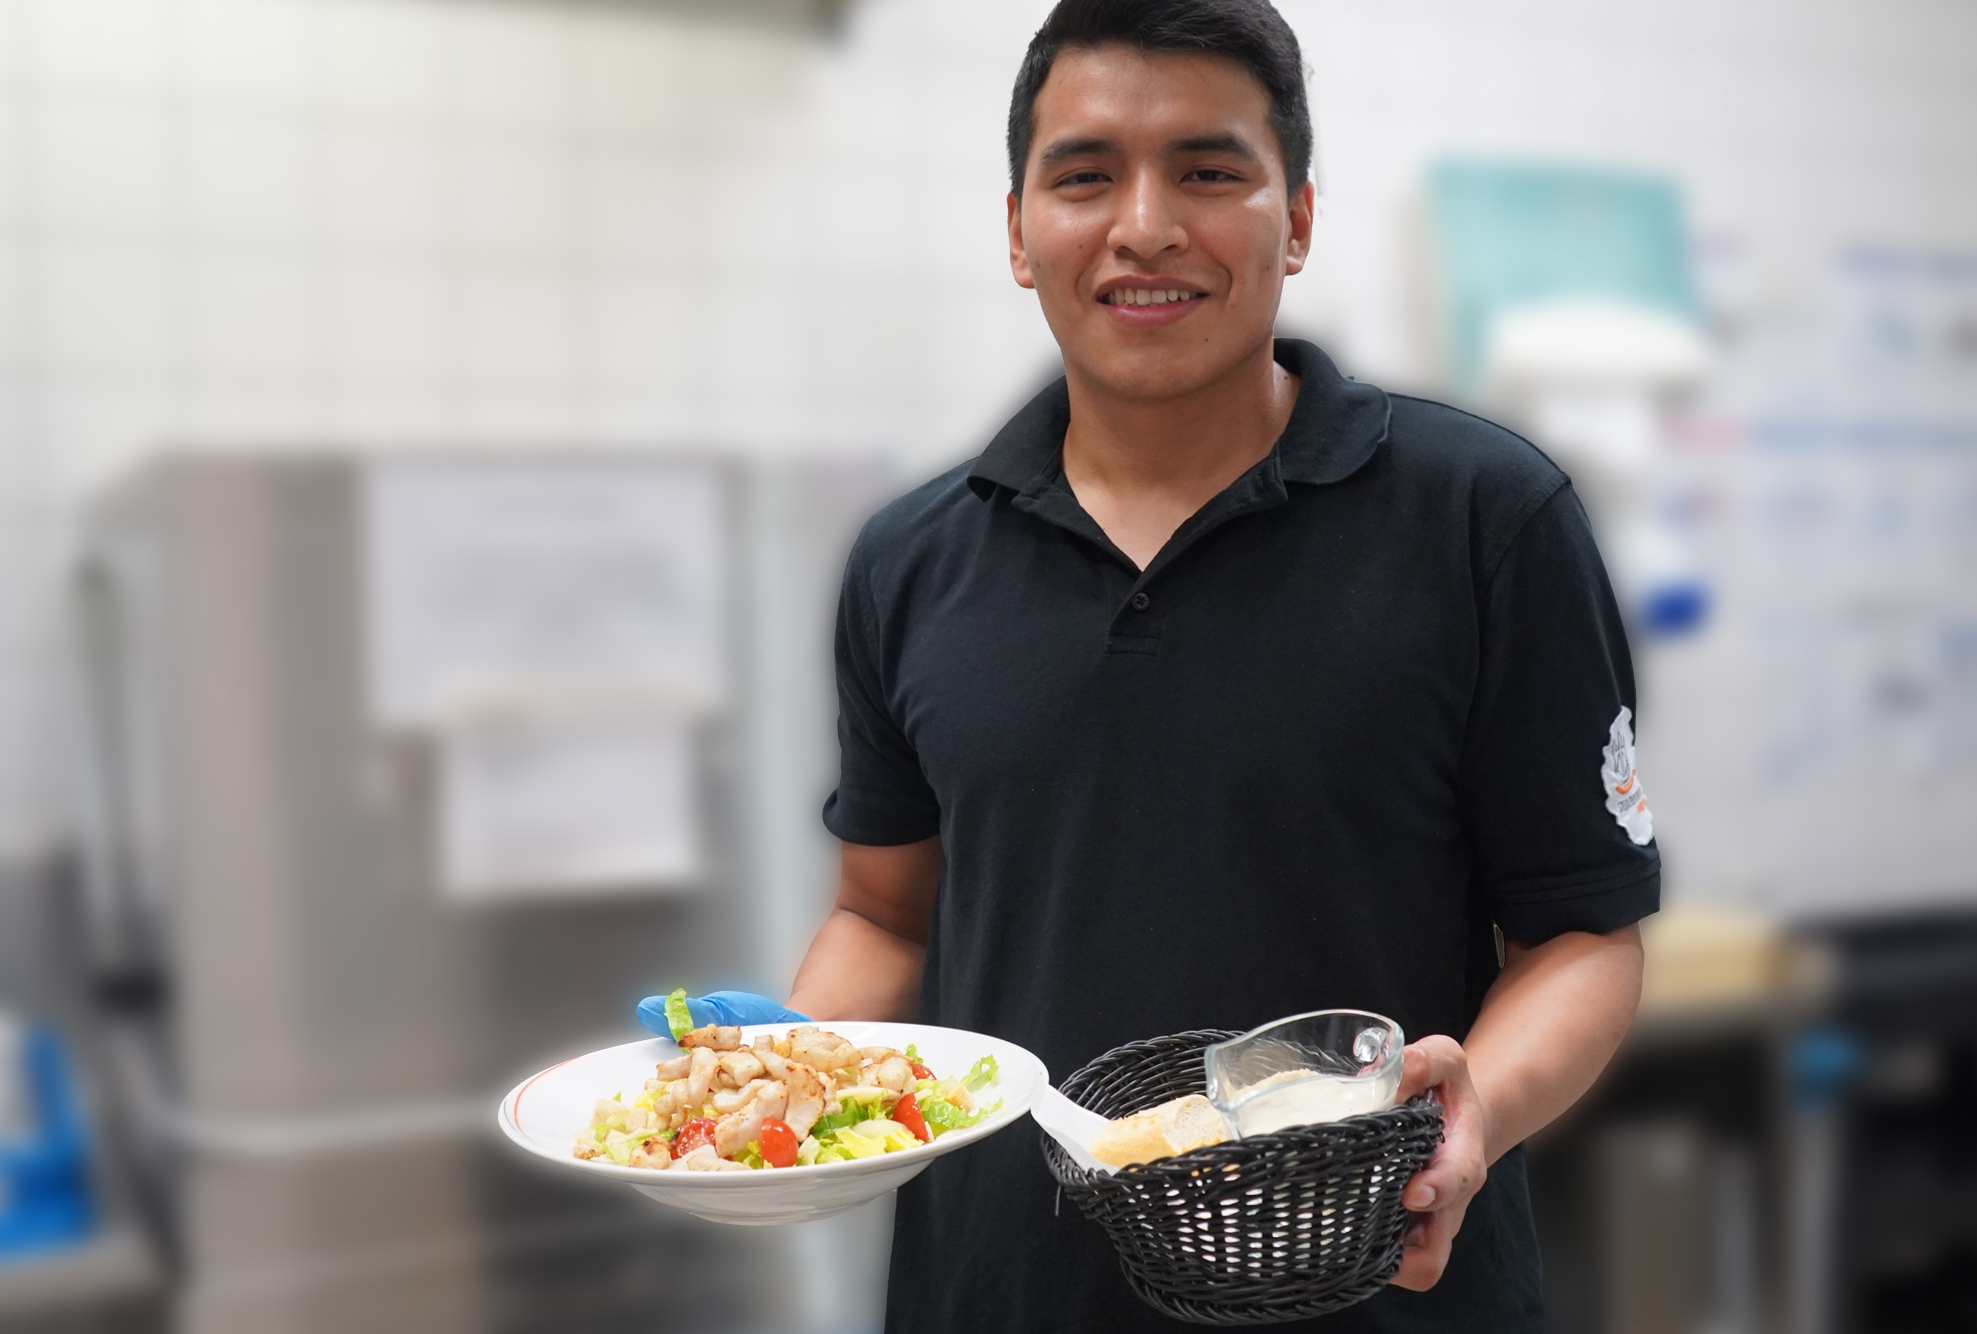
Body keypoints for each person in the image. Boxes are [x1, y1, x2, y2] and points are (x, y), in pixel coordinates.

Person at [647, 1, 1657, 1328]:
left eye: (1207, 169)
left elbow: (1584, 933)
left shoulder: (1484, 519)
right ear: (1018, 231)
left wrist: (1482, 1103)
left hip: (1382, 1287)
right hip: (999, 1293)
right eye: (1084, 174)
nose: (1144, 226)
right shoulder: (912, 561)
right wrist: (783, 1077)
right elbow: (888, 914)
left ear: (1296, 215)